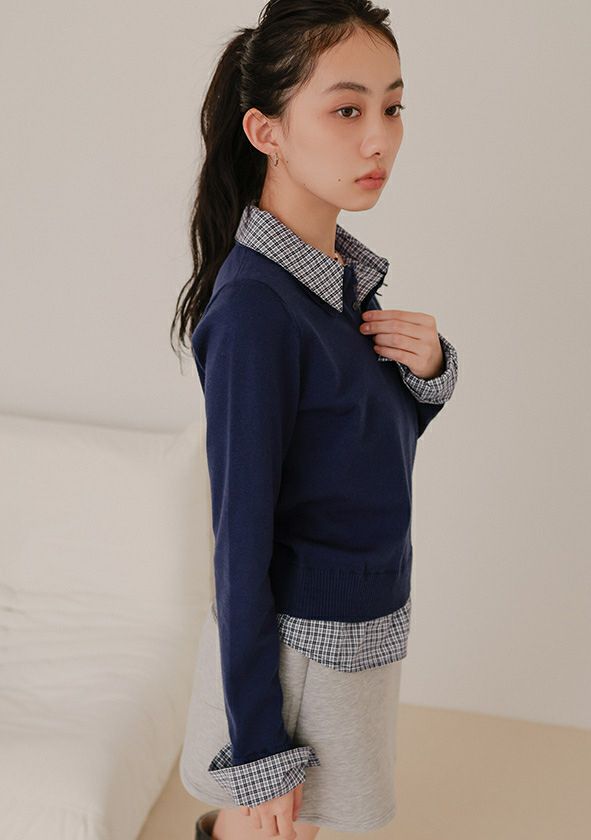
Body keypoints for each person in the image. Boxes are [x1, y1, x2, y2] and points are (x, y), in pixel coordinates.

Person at [170, 2, 459, 838]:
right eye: (346, 110)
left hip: (358, 629)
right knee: (276, 826)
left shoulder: (333, 283)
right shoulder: (257, 311)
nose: (380, 140)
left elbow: (349, 457)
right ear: (267, 131)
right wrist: (259, 744)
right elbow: (239, 542)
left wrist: (428, 374)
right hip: (300, 652)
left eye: (392, 107)